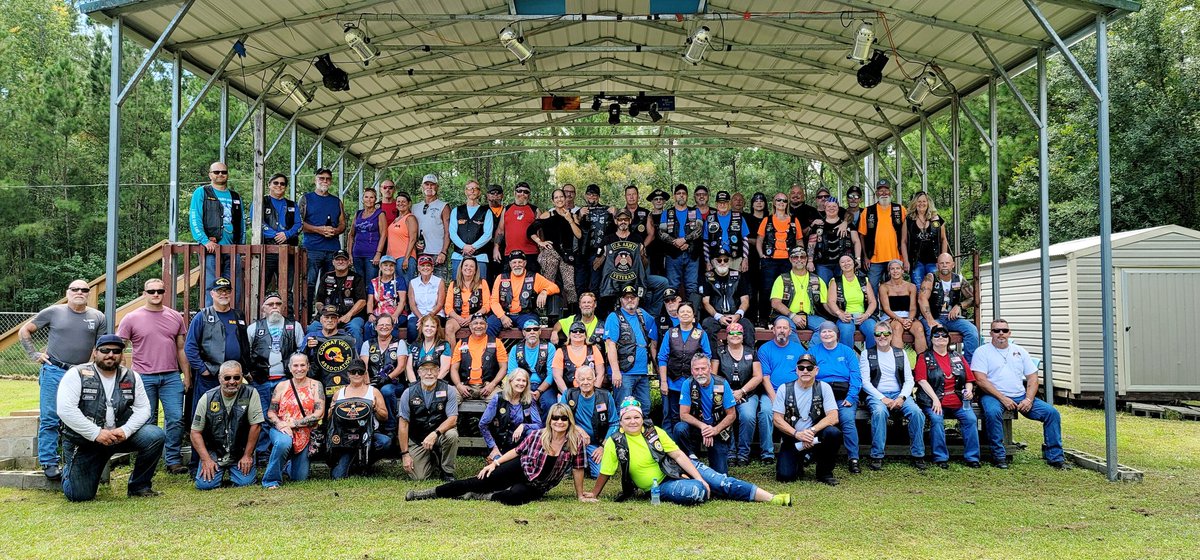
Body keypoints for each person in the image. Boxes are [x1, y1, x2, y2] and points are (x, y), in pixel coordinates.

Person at [586, 399, 791, 506]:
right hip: (659, 487)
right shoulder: (616, 441)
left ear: (642, 419)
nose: (632, 422)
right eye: (627, 418)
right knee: (696, 491)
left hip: (681, 469)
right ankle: (707, 488)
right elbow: (606, 471)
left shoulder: (654, 432)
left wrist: (699, 477)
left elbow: (678, 455)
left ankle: (771, 498)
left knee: (720, 481)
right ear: (620, 422)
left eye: (636, 418)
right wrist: (594, 494)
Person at [407, 403, 589, 505]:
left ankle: (482, 497)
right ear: (550, 420)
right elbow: (517, 451)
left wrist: (580, 495)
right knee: (477, 482)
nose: (559, 421)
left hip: (538, 485)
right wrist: (495, 463)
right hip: (521, 468)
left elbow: (578, 469)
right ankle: (427, 493)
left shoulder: (575, 442)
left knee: (514, 498)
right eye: (555, 418)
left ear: (569, 421)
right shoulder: (537, 435)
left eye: (563, 418)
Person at [56, 335, 163, 501]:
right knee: (79, 495)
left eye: (116, 351)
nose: (110, 354)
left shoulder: (132, 376)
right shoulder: (76, 374)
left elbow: (144, 409)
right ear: (94, 353)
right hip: (86, 441)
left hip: (118, 436)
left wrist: (125, 431)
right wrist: (96, 433)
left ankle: (139, 486)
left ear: (121, 354)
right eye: (105, 350)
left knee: (155, 435)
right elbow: (65, 410)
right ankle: (70, 470)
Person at [971, 319, 1068, 469]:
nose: (1000, 333)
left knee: (1051, 413)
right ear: (991, 333)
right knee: (992, 412)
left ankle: (1056, 457)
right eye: (996, 330)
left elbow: (1033, 378)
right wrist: (1003, 398)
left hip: (1020, 395)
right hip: (993, 396)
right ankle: (999, 456)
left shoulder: (1020, 351)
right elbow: (981, 380)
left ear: (1009, 333)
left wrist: (1029, 399)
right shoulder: (982, 352)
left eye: (1004, 330)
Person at [117, 279, 189, 474]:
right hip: (142, 377)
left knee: (175, 419)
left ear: (164, 293)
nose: (156, 294)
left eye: (159, 291)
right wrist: (123, 373)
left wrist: (187, 376)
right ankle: (148, 461)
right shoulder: (131, 318)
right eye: (151, 291)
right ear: (144, 293)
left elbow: (181, 348)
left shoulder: (175, 317)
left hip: (171, 376)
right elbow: (119, 348)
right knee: (148, 421)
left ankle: (173, 460)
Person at [183, 277, 250, 453]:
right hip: (210, 376)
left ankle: (229, 457)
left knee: (233, 417)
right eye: (219, 291)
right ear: (212, 293)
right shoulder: (202, 316)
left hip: (233, 379)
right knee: (204, 418)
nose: (224, 294)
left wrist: (246, 369)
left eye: (227, 291)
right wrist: (202, 369)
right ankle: (199, 462)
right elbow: (190, 347)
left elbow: (244, 345)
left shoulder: (238, 315)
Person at [244, 291, 305, 465]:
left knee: (285, 416)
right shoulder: (254, 327)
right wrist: (249, 374)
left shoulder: (294, 326)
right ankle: (263, 453)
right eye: (270, 304)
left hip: (285, 381)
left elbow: (301, 351)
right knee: (262, 417)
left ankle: (285, 450)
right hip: (261, 380)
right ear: (263, 308)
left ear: (283, 307)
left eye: (278, 304)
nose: (275, 307)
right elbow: (246, 353)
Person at [859, 323, 927, 470]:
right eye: (878, 334)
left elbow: (909, 380)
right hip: (876, 394)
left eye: (885, 334)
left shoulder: (900, 353)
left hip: (899, 393)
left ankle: (918, 454)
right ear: (874, 337)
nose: (882, 337)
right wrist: (882, 399)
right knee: (879, 412)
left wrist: (901, 397)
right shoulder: (867, 353)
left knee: (916, 413)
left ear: (891, 335)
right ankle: (877, 455)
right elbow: (865, 382)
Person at [771, 353, 843, 486]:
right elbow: (777, 419)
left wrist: (811, 431)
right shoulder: (784, 389)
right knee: (785, 476)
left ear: (816, 370)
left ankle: (825, 472)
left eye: (809, 368)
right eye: (801, 367)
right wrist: (797, 434)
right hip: (792, 438)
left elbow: (833, 416)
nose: (805, 371)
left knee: (833, 433)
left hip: (816, 437)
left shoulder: (824, 387)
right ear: (796, 370)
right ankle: (800, 460)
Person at [916, 325, 981, 469]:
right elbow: (921, 380)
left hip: (957, 400)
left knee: (970, 419)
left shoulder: (958, 357)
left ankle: (972, 457)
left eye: (944, 336)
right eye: (936, 336)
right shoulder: (924, 357)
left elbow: (969, 379)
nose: (940, 338)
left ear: (948, 339)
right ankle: (940, 457)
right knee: (937, 419)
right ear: (931, 339)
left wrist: (968, 391)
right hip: (934, 400)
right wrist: (934, 399)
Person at [190, 361, 262, 490]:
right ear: (219, 378)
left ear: (242, 377)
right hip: (214, 452)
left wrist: (247, 455)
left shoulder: (251, 393)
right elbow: (195, 432)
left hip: (240, 451)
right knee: (204, 485)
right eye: (227, 377)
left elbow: (255, 426)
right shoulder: (207, 398)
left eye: (236, 377)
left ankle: (239, 469)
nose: (232, 381)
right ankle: (213, 469)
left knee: (245, 483)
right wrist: (206, 459)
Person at [808, 321, 864, 473]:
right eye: (823, 332)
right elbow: (806, 374)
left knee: (847, 419)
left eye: (830, 331)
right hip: (820, 395)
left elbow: (856, 376)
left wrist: (852, 397)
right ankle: (810, 452)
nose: (827, 334)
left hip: (843, 395)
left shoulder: (847, 351)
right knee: (812, 418)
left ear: (837, 334)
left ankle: (853, 457)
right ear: (819, 335)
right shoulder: (813, 351)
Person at [263, 353, 324, 488]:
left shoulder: (316, 385)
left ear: (308, 367)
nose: (299, 369)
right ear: (290, 368)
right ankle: (271, 480)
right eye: (295, 365)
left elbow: (319, 413)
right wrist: (280, 424)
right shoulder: (281, 386)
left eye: (303, 365)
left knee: (299, 479)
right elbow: (271, 412)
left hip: (305, 432)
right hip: (281, 430)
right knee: (283, 442)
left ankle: (287, 465)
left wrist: (291, 424)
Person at [595, 209, 669, 319]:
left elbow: (644, 265)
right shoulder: (608, 240)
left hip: (634, 280)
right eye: (620, 219)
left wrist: (642, 255)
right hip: (613, 282)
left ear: (630, 221)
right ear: (616, 221)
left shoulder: (637, 239)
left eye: (626, 219)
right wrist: (604, 254)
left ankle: (651, 317)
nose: (623, 222)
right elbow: (595, 265)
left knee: (663, 282)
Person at [189, 161, 245, 305]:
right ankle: (210, 319)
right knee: (211, 287)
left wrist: (241, 246)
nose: (220, 174)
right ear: (210, 175)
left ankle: (232, 318)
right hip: (211, 248)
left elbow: (241, 223)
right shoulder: (202, 192)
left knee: (234, 287)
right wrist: (204, 240)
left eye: (224, 172)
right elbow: (195, 217)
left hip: (233, 249)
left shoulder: (235, 196)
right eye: (216, 172)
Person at [399, 357, 460, 481]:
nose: (429, 373)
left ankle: (447, 471)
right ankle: (434, 458)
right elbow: (403, 425)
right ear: (419, 372)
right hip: (417, 439)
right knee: (418, 477)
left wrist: (435, 433)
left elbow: (453, 419)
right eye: (425, 370)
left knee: (452, 435)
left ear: (438, 372)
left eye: (433, 369)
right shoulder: (408, 393)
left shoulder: (449, 390)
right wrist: (405, 454)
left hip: (439, 435)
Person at [674, 354, 737, 474]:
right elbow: (683, 414)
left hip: (718, 430)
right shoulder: (688, 384)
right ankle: (689, 458)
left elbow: (732, 415)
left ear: (710, 369)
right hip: (697, 429)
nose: (700, 372)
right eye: (696, 369)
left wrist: (714, 430)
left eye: (703, 368)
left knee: (720, 474)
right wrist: (703, 427)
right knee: (679, 428)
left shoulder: (722, 384)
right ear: (692, 371)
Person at [656, 302, 713, 434]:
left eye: (688, 311)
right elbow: (662, 358)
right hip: (672, 382)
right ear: (677, 315)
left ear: (693, 315)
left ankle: (691, 446)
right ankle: (670, 446)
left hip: (693, 383)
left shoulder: (700, 334)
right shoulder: (670, 333)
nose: (685, 314)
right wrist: (663, 382)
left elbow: (707, 356)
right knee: (671, 416)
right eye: (682, 312)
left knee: (693, 415)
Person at [755, 316, 805, 464]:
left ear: (790, 331)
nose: (782, 331)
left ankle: (796, 449)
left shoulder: (798, 349)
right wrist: (775, 398)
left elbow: (803, 374)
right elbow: (765, 377)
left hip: (795, 392)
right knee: (765, 412)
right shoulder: (764, 349)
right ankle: (767, 453)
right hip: (772, 392)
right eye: (779, 328)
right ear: (773, 330)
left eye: (785, 328)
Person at [327, 362, 390, 479]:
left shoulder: (373, 391)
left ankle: (365, 462)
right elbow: (329, 420)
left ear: (365, 374)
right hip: (345, 437)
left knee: (385, 441)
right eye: (353, 372)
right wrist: (331, 411)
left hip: (368, 434)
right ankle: (355, 462)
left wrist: (375, 408)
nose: (357, 374)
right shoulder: (339, 393)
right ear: (348, 374)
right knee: (337, 476)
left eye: (360, 372)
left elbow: (385, 416)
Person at [714, 323, 764, 467]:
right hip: (725, 393)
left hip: (747, 393)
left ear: (743, 337)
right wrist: (729, 394)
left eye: (738, 334)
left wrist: (742, 391)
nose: (735, 336)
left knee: (748, 416)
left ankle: (743, 454)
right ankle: (730, 452)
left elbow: (758, 376)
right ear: (726, 336)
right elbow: (713, 375)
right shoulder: (719, 352)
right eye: (732, 333)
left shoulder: (751, 352)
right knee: (725, 415)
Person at [603, 286, 658, 418]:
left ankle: (640, 438)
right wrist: (616, 372)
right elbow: (610, 345)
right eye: (626, 297)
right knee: (623, 409)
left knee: (644, 408)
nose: (630, 300)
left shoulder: (642, 315)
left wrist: (653, 345)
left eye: (632, 297)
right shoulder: (614, 317)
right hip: (623, 373)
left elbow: (655, 328)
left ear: (637, 299)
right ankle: (620, 437)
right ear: (621, 300)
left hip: (642, 373)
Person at [920, 252, 980, 362]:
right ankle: (934, 365)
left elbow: (974, 298)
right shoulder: (931, 278)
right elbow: (922, 299)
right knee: (934, 333)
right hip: (934, 317)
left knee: (972, 331)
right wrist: (930, 320)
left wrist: (959, 306)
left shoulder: (959, 279)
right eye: (941, 263)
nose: (944, 265)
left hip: (952, 319)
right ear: (937, 265)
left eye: (947, 263)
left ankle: (969, 367)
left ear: (953, 265)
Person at [300, 167, 346, 306]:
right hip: (312, 248)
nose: (324, 181)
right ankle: (307, 317)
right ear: (315, 180)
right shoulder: (306, 199)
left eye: (327, 179)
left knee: (331, 284)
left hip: (332, 249)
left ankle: (328, 314)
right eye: (321, 178)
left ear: (330, 181)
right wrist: (318, 230)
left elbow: (343, 224)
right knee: (310, 283)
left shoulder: (336, 201)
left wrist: (336, 231)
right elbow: (299, 224)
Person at [487, 250, 560, 336]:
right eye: (514, 262)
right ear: (510, 264)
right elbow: (494, 301)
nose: (517, 265)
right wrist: (502, 317)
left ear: (525, 263)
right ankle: (490, 349)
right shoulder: (501, 278)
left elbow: (555, 288)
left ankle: (528, 349)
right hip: (503, 314)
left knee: (532, 328)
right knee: (489, 326)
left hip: (525, 315)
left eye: (520, 262)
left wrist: (544, 292)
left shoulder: (534, 277)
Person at [530, 188, 582, 307]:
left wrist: (570, 221)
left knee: (570, 284)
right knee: (548, 282)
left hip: (566, 254)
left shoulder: (572, 216)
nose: (559, 199)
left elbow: (579, 235)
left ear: (565, 198)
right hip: (551, 252)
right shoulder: (548, 215)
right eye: (556, 197)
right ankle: (546, 312)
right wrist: (540, 242)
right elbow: (530, 230)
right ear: (553, 201)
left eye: (561, 197)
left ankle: (572, 313)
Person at [561, 366, 615, 478]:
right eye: (582, 379)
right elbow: (561, 419)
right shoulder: (568, 394)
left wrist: (603, 447)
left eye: (589, 379)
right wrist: (579, 430)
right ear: (576, 381)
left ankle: (586, 463)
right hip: (573, 441)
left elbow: (614, 423)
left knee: (598, 474)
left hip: (596, 443)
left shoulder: (605, 396)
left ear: (595, 379)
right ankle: (571, 465)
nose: (586, 382)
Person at [757, 194, 805, 318]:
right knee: (766, 289)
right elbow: (759, 240)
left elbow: (799, 240)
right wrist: (761, 255)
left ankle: (782, 317)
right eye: (778, 200)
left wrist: (800, 255)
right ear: (774, 202)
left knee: (787, 289)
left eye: (784, 200)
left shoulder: (794, 220)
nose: (781, 202)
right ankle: (763, 318)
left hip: (788, 261)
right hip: (770, 260)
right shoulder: (767, 220)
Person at [479, 368, 543, 460]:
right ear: (510, 381)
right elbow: (483, 424)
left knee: (532, 433)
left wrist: (523, 426)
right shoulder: (499, 398)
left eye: (524, 381)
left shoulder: (529, 400)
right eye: (518, 380)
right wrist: (493, 447)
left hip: (520, 447)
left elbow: (539, 425)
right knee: (500, 471)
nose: (521, 383)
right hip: (500, 446)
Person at [360, 314, 408, 437]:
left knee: (386, 390)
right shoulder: (367, 344)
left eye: (388, 325)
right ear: (375, 327)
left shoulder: (400, 343)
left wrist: (387, 378)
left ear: (392, 328)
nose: (384, 327)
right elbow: (364, 367)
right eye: (381, 325)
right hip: (373, 383)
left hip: (395, 384)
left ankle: (390, 428)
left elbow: (401, 366)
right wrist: (368, 385)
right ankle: (372, 428)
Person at [857, 179, 907, 297]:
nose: (883, 193)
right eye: (880, 191)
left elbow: (907, 237)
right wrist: (865, 257)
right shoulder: (867, 211)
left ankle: (893, 313)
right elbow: (862, 235)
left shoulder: (900, 210)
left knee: (895, 288)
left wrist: (905, 258)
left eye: (886, 190)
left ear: (891, 192)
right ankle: (873, 314)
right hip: (874, 259)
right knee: (872, 286)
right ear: (876, 193)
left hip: (895, 258)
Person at [308, 249, 367, 345]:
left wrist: (349, 315)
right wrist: (324, 314)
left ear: (349, 262)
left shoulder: (357, 278)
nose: (340, 262)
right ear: (333, 262)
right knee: (312, 328)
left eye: (343, 259)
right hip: (328, 316)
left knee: (355, 328)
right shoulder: (326, 277)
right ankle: (310, 357)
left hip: (351, 317)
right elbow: (319, 301)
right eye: (338, 259)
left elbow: (362, 301)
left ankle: (358, 359)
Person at [657, 184, 704, 302]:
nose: (681, 195)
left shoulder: (695, 211)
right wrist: (675, 242)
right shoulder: (667, 213)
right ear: (674, 197)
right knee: (672, 287)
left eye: (684, 193)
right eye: (678, 193)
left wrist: (685, 240)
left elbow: (699, 230)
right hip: (673, 254)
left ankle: (693, 316)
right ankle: (674, 316)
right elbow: (661, 233)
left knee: (692, 287)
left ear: (687, 196)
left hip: (691, 253)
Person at [304, 305, 359, 401]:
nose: (330, 320)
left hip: (343, 384)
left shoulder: (346, 338)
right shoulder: (311, 337)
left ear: (338, 320)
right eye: (326, 317)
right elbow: (300, 358)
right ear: (321, 320)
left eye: (333, 318)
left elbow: (355, 361)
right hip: (317, 382)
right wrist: (307, 348)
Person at [825, 254, 879, 350]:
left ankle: (871, 359)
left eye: (848, 261)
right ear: (840, 265)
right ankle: (847, 360)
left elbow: (872, 302)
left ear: (854, 263)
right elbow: (831, 301)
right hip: (845, 316)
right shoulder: (835, 281)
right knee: (846, 330)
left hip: (862, 316)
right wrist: (839, 314)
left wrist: (866, 314)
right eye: (842, 262)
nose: (846, 264)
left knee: (872, 329)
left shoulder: (864, 280)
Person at [699, 248, 754, 340]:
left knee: (748, 325)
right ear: (713, 261)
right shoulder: (707, 277)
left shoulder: (738, 276)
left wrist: (738, 315)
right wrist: (718, 316)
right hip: (715, 316)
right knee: (707, 325)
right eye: (719, 260)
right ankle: (712, 354)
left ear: (730, 261)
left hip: (735, 315)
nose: (722, 263)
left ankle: (748, 353)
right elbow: (705, 302)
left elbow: (745, 300)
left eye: (726, 260)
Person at [260, 173, 302, 293]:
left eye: (282, 183)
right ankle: (259, 311)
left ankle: (287, 312)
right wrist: (275, 235)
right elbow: (257, 222)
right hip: (267, 250)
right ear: (269, 185)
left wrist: (286, 234)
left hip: (288, 250)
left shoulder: (292, 205)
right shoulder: (261, 202)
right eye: (276, 183)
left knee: (286, 288)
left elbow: (298, 224)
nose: (279, 186)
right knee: (262, 285)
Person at [451, 314, 508, 400]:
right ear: (470, 326)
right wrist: (459, 385)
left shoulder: (497, 342)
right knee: (450, 395)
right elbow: (454, 368)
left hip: (488, 387)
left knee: (499, 398)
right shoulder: (462, 343)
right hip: (466, 387)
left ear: (486, 326)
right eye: (475, 323)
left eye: (482, 323)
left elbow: (503, 367)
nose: (478, 326)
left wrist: (492, 385)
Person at [769, 248, 827, 332]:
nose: (799, 260)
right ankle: (797, 346)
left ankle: (811, 346)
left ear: (806, 259)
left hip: (810, 316)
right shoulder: (782, 279)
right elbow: (775, 303)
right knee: (786, 329)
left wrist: (839, 313)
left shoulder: (817, 280)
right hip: (786, 316)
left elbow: (827, 304)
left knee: (827, 327)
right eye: (795, 257)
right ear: (790, 259)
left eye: (802, 257)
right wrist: (793, 316)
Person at [508, 319, 558, 415]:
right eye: (528, 330)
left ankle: (543, 429)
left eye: (535, 329)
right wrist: (525, 389)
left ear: (539, 331)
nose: (532, 332)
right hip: (522, 385)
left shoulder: (549, 347)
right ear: (523, 332)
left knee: (550, 403)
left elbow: (551, 374)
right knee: (516, 404)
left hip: (544, 386)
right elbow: (511, 373)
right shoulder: (516, 349)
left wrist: (539, 391)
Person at [448, 179, 496, 279]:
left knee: (479, 289)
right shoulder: (456, 210)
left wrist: (472, 247)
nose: (472, 191)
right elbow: (452, 233)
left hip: (480, 257)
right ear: (465, 191)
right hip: (459, 256)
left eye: (475, 189)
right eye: (469, 188)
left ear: (479, 192)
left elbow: (488, 234)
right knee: (457, 288)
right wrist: (464, 246)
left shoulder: (486, 211)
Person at [807, 196, 860, 285]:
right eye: (829, 206)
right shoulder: (818, 225)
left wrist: (857, 259)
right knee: (824, 289)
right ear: (825, 208)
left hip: (843, 264)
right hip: (822, 264)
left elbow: (856, 241)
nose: (831, 208)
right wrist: (810, 261)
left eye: (834, 206)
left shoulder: (847, 224)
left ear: (838, 208)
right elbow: (811, 244)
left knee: (843, 289)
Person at [901, 191, 949, 286]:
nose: (921, 204)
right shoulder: (909, 220)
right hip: (916, 261)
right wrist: (906, 261)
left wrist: (943, 258)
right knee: (918, 287)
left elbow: (943, 240)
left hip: (934, 260)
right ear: (915, 203)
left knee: (936, 286)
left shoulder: (936, 219)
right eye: (919, 201)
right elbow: (903, 242)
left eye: (924, 201)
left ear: (928, 203)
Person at [880, 259, 927, 354]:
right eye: (892, 269)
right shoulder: (884, 287)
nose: (895, 271)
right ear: (889, 271)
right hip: (891, 316)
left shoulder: (911, 286)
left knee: (919, 329)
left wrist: (909, 319)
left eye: (897, 268)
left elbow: (913, 308)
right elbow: (886, 308)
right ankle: (899, 363)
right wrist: (901, 320)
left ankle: (922, 363)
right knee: (897, 328)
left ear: (902, 270)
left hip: (908, 316)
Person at [575, 183, 615, 293]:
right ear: (585, 195)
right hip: (581, 253)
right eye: (589, 194)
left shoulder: (607, 211)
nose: (592, 197)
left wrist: (615, 213)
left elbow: (615, 231)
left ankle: (595, 310)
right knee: (580, 284)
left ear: (598, 196)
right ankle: (580, 310)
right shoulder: (580, 211)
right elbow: (573, 228)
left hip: (597, 252)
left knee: (594, 285)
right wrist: (579, 215)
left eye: (595, 195)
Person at [493, 181, 540, 272]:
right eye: (519, 191)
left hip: (531, 253)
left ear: (529, 195)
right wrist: (496, 248)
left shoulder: (535, 210)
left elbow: (540, 233)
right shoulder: (506, 209)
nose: (522, 194)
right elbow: (500, 231)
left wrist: (542, 252)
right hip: (510, 254)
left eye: (526, 192)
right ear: (514, 193)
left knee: (531, 283)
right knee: (510, 284)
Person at [443, 256, 491, 346]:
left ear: (476, 270)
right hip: (458, 318)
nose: (468, 268)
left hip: (476, 317)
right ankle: (453, 358)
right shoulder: (453, 284)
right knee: (449, 327)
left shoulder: (482, 283)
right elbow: (448, 307)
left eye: (471, 266)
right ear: (461, 268)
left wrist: (472, 317)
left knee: (478, 327)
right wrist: (459, 318)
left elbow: (487, 306)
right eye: (466, 265)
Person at [412, 173, 451, 278]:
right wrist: (415, 242)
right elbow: (410, 231)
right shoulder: (414, 207)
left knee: (439, 285)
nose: (429, 187)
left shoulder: (444, 206)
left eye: (432, 184)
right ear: (422, 187)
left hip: (437, 253)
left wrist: (444, 252)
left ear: (437, 187)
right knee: (420, 286)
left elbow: (448, 232)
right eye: (426, 184)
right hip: (420, 253)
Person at [702, 191, 750, 273]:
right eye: (720, 202)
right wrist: (707, 261)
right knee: (716, 284)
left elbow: (745, 239)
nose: (722, 205)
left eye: (725, 202)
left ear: (729, 203)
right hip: (716, 259)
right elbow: (705, 242)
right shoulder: (710, 219)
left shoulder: (739, 218)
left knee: (735, 283)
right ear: (716, 204)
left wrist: (745, 258)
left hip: (735, 259)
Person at [553, 320, 607, 392]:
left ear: (585, 335)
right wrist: (567, 394)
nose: (578, 333)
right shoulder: (561, 351)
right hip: (568, 391)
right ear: (569, 335)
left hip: (591, 392)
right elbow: (557, 377)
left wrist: (593, 393)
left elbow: (600, 373)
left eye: (581, 331)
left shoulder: (594, 349)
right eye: (574, 331)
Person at [347, 187, 387, 282]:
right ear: (362, 199)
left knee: (371, 282)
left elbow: (384, 234)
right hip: (357, 254)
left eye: (371, 197)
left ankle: (370, 298)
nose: (369, 200)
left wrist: (378, 253)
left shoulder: (380, 214)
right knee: (359, 283)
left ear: (375, 199)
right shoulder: (358, 214)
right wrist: (349, 254)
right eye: (366, 197)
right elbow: (351, 234)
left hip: (372, 254)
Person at [405, 255, 447, 344]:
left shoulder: (439, 282)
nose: (425, 268)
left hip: (435, 313)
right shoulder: (413, 283)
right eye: (423, 266)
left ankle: (433, 351)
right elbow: (412, 305)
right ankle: (414, 351)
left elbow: (440, 304)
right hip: (418, 314)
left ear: (432, 268)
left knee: (431, 324)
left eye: (428, 265)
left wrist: (428, 316)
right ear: (418, 268)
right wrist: (421, 318)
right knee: (412, 326)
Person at [366, 255, 408, 341]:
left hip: (396, 313)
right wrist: (370, 314)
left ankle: (392, 350)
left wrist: (395, 315)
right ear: (380, 266)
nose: (388, 267)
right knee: (368, 326)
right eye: (385, 265)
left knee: (391, 324)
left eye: (391, 265)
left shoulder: (399, 280)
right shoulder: (374, 282)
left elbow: (402, 301)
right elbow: (370, 302)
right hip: (379, 313)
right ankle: (370, 350)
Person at [407, 314, 452, 383]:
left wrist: (431, 385)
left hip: (437, 384)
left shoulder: (444, 345)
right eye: (426, 326)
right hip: (417, 384)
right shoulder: (414, 346)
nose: (429, 329)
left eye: (433, 327)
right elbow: (409, 368)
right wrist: (415, 385)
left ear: (437, 329)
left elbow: (445, 369)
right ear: (421, 328)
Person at [385, 191, 420, 279]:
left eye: (403, 201)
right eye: (398, 201)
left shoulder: (410, 218)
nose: (401, 204)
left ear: (409, 203)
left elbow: (413, 239)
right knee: (397, 288)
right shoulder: (396, 219)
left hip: (403, 257)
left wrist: (406, 258)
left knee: (406, 286)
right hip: (392, 259)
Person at [620, 184, 655, 249]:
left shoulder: (647, 213)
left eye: (634, 194)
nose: (631, 197)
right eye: (629, 195)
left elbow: (651, 234)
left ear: (638, 196)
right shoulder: (619, 214)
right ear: (625, 197)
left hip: (642, 252)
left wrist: (641, 248)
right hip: (623, 252)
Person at [645, 187, 670, 277]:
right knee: (651, 276)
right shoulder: (647, 216)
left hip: (665, 252)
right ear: (652, 201)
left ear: (664, 201)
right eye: (656, 199)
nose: (658, 201)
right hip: (650, 252)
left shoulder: (669, 215)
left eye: (661, 199)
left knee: (666, 276)